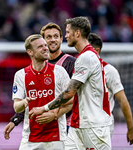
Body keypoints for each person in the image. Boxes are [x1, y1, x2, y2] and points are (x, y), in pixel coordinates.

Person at [29, 16, 112, 150]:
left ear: (77, 33)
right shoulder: (83, 56)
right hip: (78, 124)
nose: (66, 36)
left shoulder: (86, 58)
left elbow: (68, 93)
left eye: (67, 32)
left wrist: (44, 108)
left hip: (93, 125)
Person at [4, 22, 76, 139]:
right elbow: (32, 98)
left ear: (61, 39)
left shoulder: (70, 63)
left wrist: (55, 114)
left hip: (67, 125)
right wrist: (15, 120)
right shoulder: (37, 66)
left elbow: (74, 97)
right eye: (48, 37)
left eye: (56, 36)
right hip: (40, 127)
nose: (53, 40)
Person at [87, 33, 133, 145]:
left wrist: (131, 128)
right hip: (80, 125)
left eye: (85, 49)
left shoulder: (109, 71)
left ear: (96, 50)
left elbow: (123, 100)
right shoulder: (78, 70)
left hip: (101, 126)